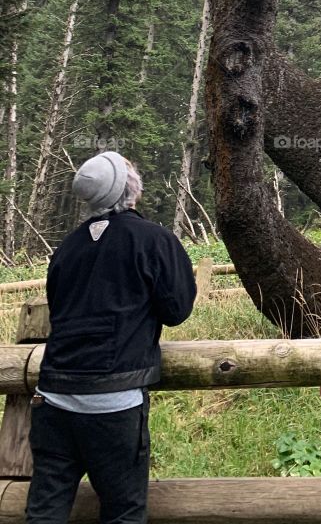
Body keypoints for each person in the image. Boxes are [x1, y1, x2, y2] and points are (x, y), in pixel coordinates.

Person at [26, 150, 197, 524]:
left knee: (44, 512)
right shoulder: (154, 240)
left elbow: (60, 310)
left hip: (52, 398)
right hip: (114, 404)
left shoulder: (67, 248)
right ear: (131, 191)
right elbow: (177, 310)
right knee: (123, 513)